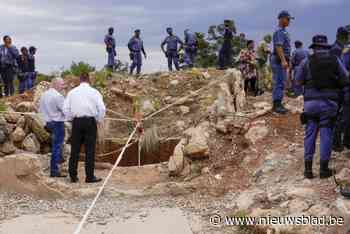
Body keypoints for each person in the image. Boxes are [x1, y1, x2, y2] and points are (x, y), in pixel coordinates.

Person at [295, 35, 349, 179]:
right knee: (326, 134)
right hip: (329, 104)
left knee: (310, 134)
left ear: (314, 48)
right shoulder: (335, 60)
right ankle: (324, 170)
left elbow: (298, 81)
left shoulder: (306, 61)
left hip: (310, 105)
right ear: (326, 47)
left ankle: (308, 170)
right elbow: (345, 79)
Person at [63, 73, 106, 183]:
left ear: (80, 80)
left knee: (75, 150)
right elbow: (101, 108)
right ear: (89, 80)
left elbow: (66, 108)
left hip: (77, 122)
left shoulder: (72, 92)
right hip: (90, 122)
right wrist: (98, 119)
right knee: (90, 150)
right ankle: (89, 177)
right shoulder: (95, 92)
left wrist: (71, 118)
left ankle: (73, 176)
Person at [39, 78, 66, 177]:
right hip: (57, 123)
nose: (64, 86)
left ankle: (58, 167)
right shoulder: (58, 96)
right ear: (56, 85)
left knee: (55, 146)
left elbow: (40, 109)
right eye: (62, 84)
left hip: (47, 123)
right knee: (57, 146)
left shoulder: (44, 95)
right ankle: (55, 171)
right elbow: (65, 110)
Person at [271, 10, 293, 114]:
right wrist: (284, 60)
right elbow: (278, 46)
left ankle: (279, 102)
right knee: (279, 82)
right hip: (279, 60)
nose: (289, 21)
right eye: (288, 19)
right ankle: (276, 105)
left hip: (282, 60)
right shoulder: (279, 31)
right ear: (282, 19)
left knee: (281, 82)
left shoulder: (284, 31)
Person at [332, 27, 350, 152]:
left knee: (341, 114)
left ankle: (339, 141)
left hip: (339, 85)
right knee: (343, 115)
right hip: (342, 86)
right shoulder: (342, 50)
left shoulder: (339, 48)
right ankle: (338, 142)